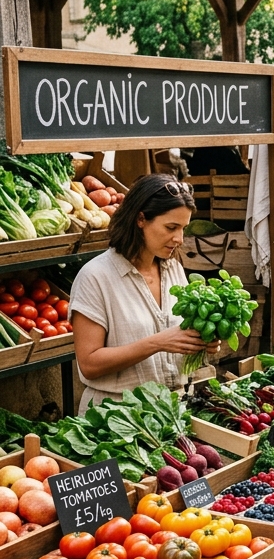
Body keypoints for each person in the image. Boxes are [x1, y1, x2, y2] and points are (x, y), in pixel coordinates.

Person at [70, 175, 220, 414]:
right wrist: (158, 343)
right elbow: (89, 364)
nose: (179, 239)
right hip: (114, 417)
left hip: (174, 411)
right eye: (171, 227)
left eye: (183, 228)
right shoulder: (95, 277)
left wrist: (202, 343)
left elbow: (179, 339)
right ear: (141, 219)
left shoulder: (174, 270)